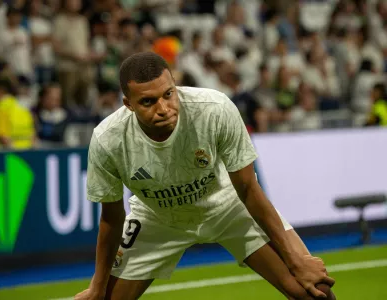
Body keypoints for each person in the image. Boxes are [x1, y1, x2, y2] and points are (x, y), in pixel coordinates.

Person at [75, 52, 335, 300]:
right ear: (128, 104)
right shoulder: (108, 139)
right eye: (148, 101)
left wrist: (296, 261)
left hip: (228, 205)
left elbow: (247, 188)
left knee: (316, 291)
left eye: (168, 94)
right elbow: (111, 218)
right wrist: (97, 286)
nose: (163, 108)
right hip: (157, 218)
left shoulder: (214, 109)